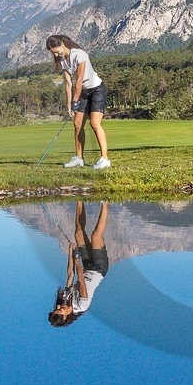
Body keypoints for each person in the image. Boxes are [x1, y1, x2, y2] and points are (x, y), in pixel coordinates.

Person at [46, 33, 111, 169]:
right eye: (53, 53)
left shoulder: (79, 54)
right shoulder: (63, 61)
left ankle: (105, 159)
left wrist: (76, 100)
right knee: (77, 125)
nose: (56, 55)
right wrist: (69, 104)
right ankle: (79, 158)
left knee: (95, 123)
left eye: (56, 51)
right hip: (83, 92)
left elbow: (79, 80)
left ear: (62, 45)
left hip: (97, 90)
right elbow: (69, 84)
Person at [49, 201, 109, 327]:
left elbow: (70, 274)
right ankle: (105, 202)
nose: (59, 306)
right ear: (66, 316)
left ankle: (79, 200)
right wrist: (77, 259)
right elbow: (81, 280)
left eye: (57, 308)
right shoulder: (81, 306)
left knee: (78, 233)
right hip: (99, 269)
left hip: (87, 267)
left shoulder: (65, 299)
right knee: (95, 236)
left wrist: (70, 253)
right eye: (60, 310)